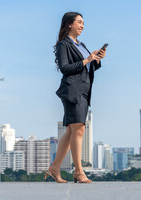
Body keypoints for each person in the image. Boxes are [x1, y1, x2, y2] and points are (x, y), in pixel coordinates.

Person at [45, 12, 106, 183]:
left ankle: (54, 169)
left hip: (84, 90)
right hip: (72, 91)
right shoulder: (63, 45)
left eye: (83, 23)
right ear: (69, 24)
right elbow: (65, 68)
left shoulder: (81, 44)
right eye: (79, 22)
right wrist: (87, 60)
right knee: (79, 128)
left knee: (71, 130)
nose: (82, 25)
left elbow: (85, 67)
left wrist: (96, 60)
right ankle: (79, 172)